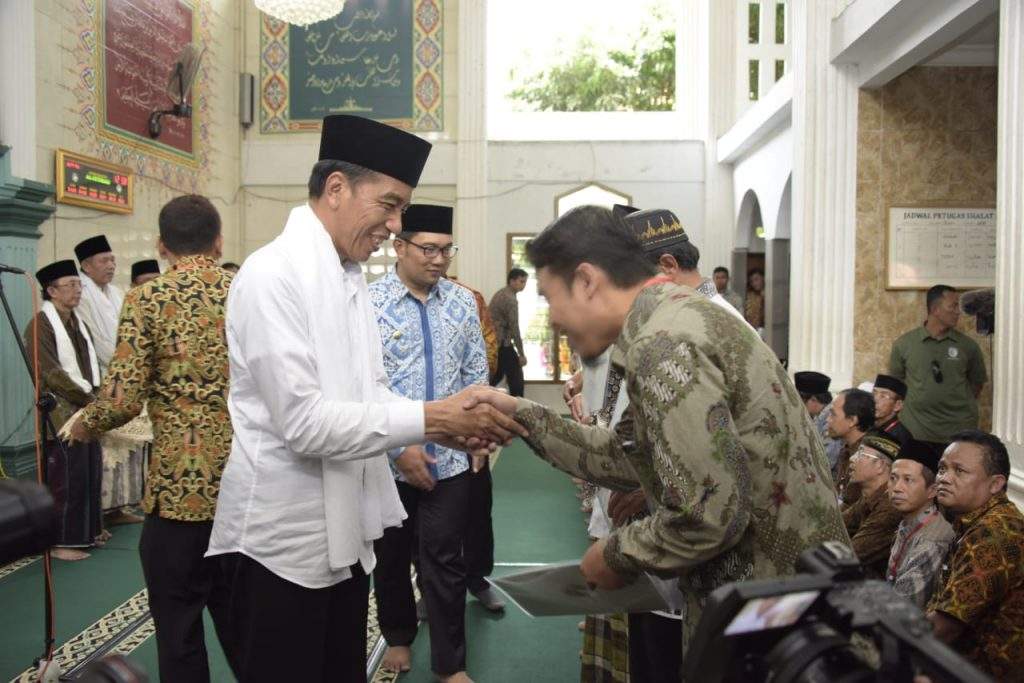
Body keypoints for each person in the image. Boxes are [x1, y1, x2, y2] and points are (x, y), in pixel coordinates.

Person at [204, 114, 523, 683]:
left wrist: (444, 426)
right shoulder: (272, 275)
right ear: (336, 189)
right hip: (280, 547)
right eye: (389, 205)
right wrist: (430, 417)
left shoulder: (345, 275)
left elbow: (369, 389)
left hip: (344, 535)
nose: (395, 224)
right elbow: (303, 424)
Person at [463, 205, 849, 659]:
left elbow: (707, 516)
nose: (555, 323)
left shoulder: (662, 344)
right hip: (776, 606)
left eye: (550, 300)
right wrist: (519, 414)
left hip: (767, 621)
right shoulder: (671, 319)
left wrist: (614, 554)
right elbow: (628, 456)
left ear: (587, 281)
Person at [68, 196, 234, 683]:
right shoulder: (245, 292)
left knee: (179, 621)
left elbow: (121, 399)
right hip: (245, 484)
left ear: (162, 246)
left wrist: (83, 424)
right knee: (245, 617)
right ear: (219, 240)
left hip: (179, 492)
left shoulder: (148, 298)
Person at [368, 204, 490, 682]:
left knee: (445, 563)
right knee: (391, 558)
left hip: (453, 461)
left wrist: (478, 435)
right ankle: (398, 636)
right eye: (429, 249)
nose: (439, 260)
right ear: (399, 248)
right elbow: (361, 384)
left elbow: (475, 374)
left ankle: (450, 664)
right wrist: (399, 446)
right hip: (387, 461)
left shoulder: (462, 302)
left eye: (446, 250)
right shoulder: (369, 304)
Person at [926, 430, 1023, 680]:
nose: (944, 478)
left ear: (995, 484)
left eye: (959, 471)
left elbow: (945, 626)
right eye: (942, 468)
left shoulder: (994, 533)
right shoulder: (977, 521)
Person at [24, 260, 103, 561]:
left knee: (88, 473)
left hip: (86, 407)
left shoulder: (77, 323)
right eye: (70, 285)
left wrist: (95, 397)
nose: (77, 290)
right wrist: (87, 397)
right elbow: (51, 373)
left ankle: (88, 532)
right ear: (52, 290)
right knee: (65, 479)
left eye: (78, 284)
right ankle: (60, 542)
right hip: (60, 412)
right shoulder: (40, 325)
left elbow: (89, 365)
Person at [74, 235, 144, 528]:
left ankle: (118, 506)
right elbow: (98, 341)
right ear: (87, 266)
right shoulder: (83, 294)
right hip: (102, 377)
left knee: (126, 449)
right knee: (107, 452)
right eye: (104, 260)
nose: (111, 265)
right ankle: (102, 510)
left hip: (124, 375)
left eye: (113, 259)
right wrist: (126, 360)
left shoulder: (116, 293)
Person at [889, 284, 987, 443]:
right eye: (953, 306)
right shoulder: (904, 344)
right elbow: (896, 384)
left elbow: (976, 384)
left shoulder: (968, 346)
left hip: (959, 431)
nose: (958, 311)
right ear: (935, 310)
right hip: (916, 430)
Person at [886, 440, 954, 608]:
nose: (897, 488)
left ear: (932, 490)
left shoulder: (933, 540)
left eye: (908, 480)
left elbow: (902, 607)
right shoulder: (908, 522)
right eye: (893, 478)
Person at [840, 431, 902, 578]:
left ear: (880, 465)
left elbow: (850, 554)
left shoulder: (890, 506)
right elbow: (837, 525)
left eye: (860, 453)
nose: (852, 459)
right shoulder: (870, 497)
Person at [826, 388, 875, 503]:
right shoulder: (847, 448)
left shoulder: (867, 457)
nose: (828, 420)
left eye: (833, 415)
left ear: (852, 420)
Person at [488, 268, 528, 397]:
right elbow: (514, 328)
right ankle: (519, 410)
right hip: (502, 344)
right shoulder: (510, 299)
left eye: (525, 282)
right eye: (521, 281)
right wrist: (521, 354)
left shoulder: (501, 293)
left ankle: (481, 399)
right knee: (516, 380)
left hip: (495, 343)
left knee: (496, 376)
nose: (524, 285)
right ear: (512, 281)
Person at [872, 373, 913, 446]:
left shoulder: (900, 436)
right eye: (874, 393)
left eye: (883, 396)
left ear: (897, 405)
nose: (875, 400)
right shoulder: (870, 426)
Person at [744, 267, 765, 331]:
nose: (754, 284)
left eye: (756, 279)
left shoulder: (771, 295)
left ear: (763, 278)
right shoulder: (750, 296)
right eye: (752, 281)